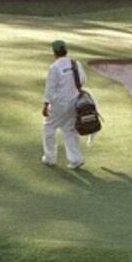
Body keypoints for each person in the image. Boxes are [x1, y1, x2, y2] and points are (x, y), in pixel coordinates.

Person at [41, 40, 85, 170]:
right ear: (66, 51)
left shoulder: (54, 67)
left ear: (54, 52)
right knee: (69, 129)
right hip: (75, 102)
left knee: (48, 127)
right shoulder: (75, 63)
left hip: (59, 103)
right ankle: (75, 159)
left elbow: (50, 88)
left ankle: (50, 158)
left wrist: (46, 104)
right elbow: (83, 80)